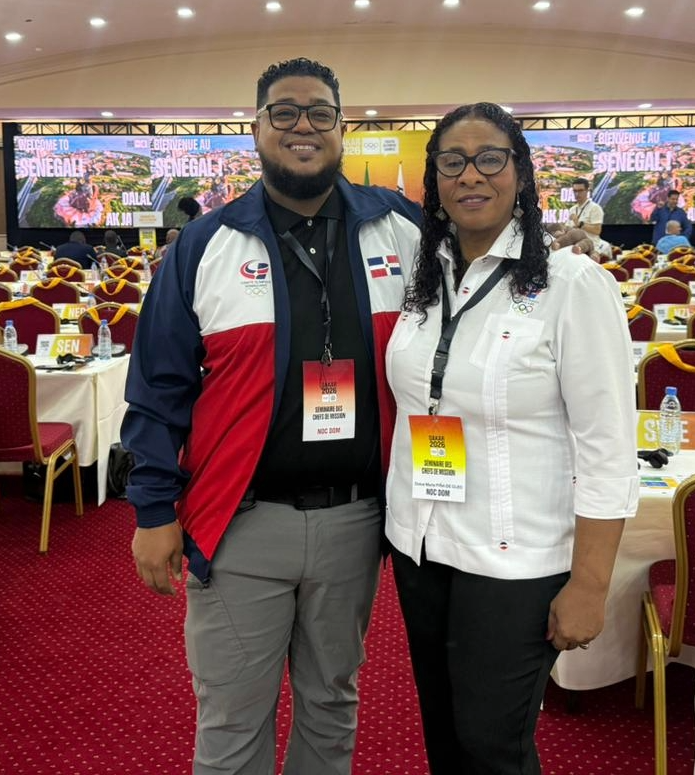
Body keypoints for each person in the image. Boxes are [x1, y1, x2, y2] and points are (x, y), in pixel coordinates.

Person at [121, 57, 421, 775]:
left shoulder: (403, 229)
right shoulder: (205, 245)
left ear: (343, 128)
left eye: (320, 112)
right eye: (283, 112)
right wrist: (152, 509)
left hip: (357, 522)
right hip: (241, 523)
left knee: (331, 707)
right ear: (255, 129)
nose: (302, 126)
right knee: (232, 722)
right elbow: (158, 388)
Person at [384, 102, 638, 775]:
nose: (471, 175)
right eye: (452, 162)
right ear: (434, 181)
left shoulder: (570, 283)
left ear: (521, 174)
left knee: (491, 743)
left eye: (490, 158)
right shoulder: (424, 277)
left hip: (516, 559)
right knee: (444, 735)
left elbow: (609, 447)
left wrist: (590, 582)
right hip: (421, 545)